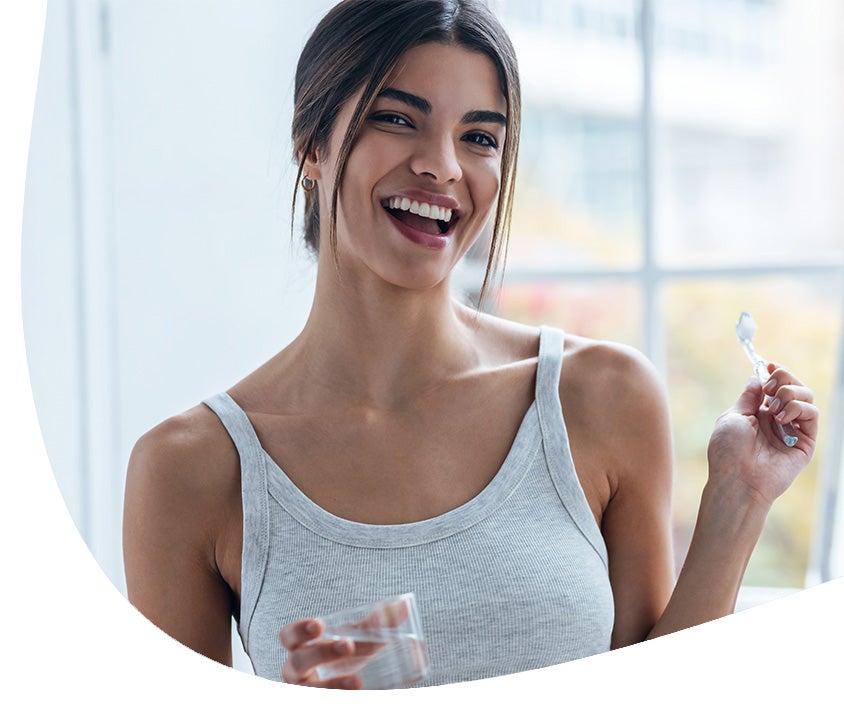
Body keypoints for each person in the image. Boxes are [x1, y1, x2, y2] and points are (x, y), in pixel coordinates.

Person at [123, 0, 819, 690]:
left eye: (480, 138)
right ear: (312, 144)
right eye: (397, 119)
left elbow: (663, 696)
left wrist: (740, 497)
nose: (442, 166)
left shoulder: (600, 397)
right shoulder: (190, 471)